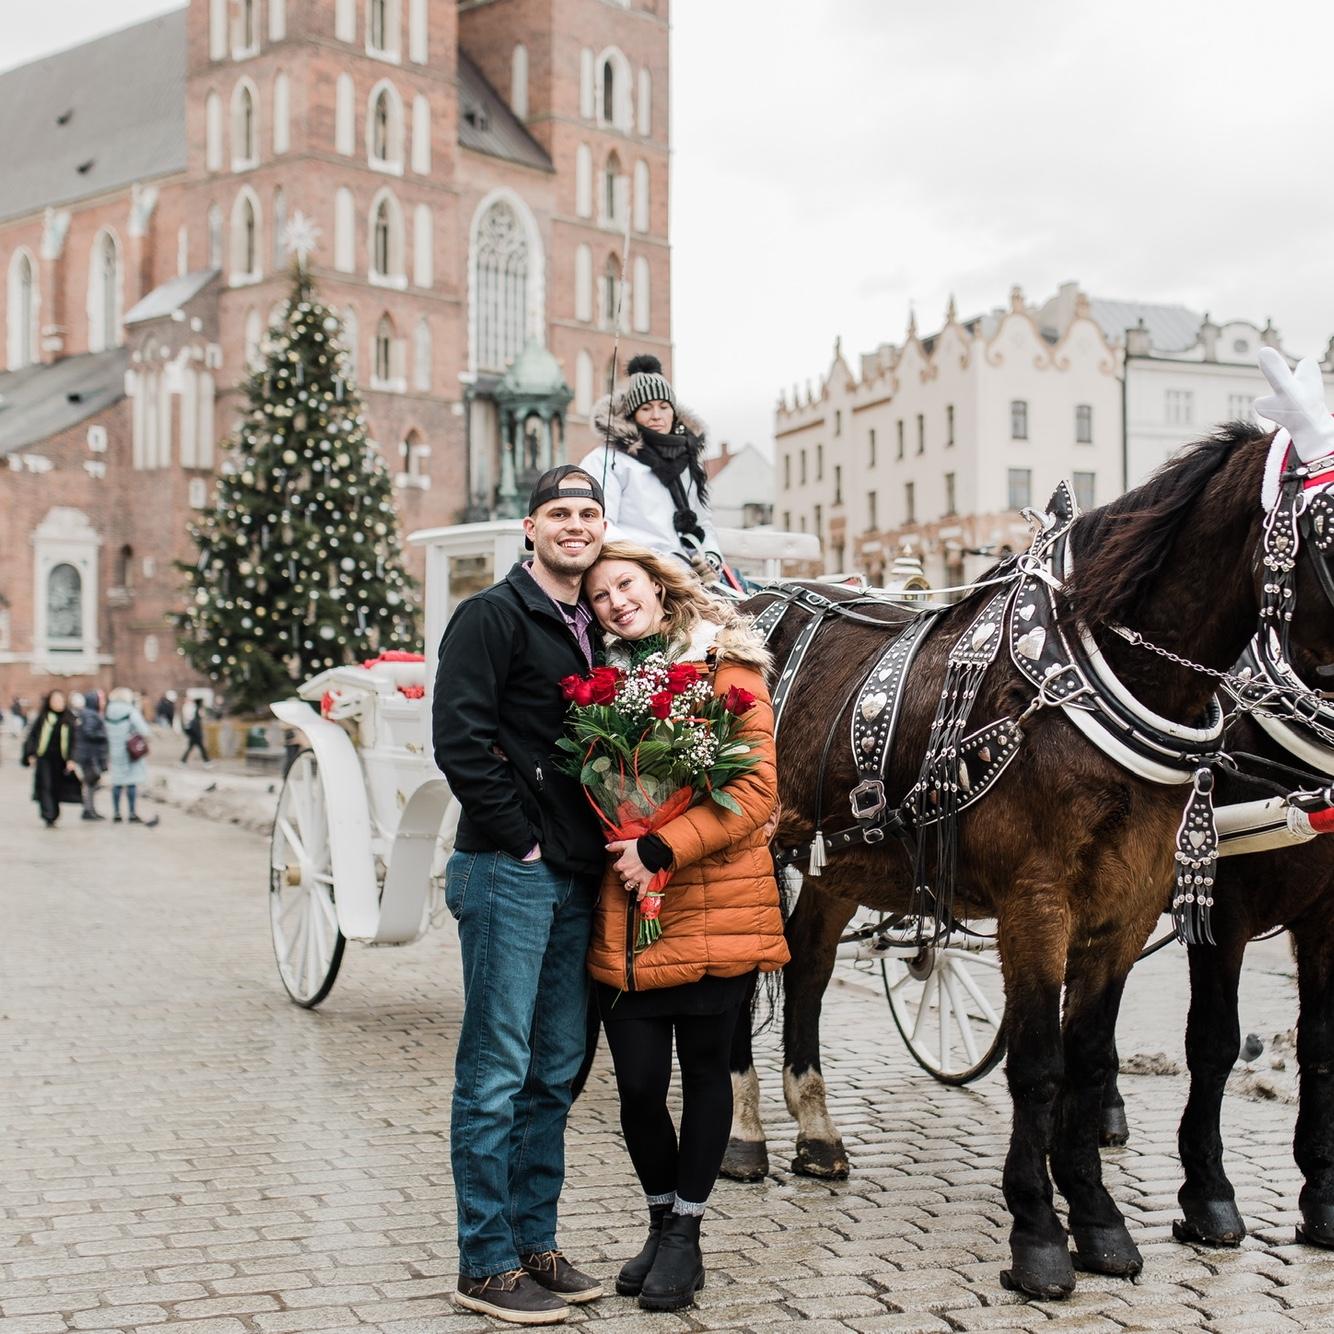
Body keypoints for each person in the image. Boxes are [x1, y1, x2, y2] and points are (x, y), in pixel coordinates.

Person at [580, 541, 789, 1311]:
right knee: (637, 1084)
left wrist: (663, 845)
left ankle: (686, 1234)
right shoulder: (603, 686)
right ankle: (661, 1218)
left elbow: (758, 788)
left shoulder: (727, 665)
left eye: (624, 585)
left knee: (705, 1075)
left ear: (657, 587)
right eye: (600, 596)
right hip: (631, 912)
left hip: (716, 904)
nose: (615, 602)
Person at [433, 465, 610, 1325]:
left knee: (554, 1073)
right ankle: (485, 1261)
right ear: (530, 528)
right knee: (497, 1069)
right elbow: (460, 743)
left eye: (588, 514)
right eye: (559, 514)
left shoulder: (596, 628)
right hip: (510, 870)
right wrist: (526, 837)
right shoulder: (491, 616)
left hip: (574, 874)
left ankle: (535, 1241)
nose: (575, 526)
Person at [579, 355, 725, 579]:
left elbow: (703, 521)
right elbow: (600, 525)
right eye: (646, 408)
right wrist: (656, 562)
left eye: (664, 406)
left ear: (674, 413)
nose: (657, 415)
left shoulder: (688, 461)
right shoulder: (608, 460)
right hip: (638, 571)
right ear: (633, 415)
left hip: (690, 574)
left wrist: (711, 558)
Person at [21, 690, 79, 827]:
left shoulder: (69, 719)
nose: (58, 703)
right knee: (45, 785)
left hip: (61, 759)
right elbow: (33, 736)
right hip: (44, 757)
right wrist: (31, 754)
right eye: (55, 700)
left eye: (60, 700)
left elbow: (74, 741)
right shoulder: (43, 717)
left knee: (56, 787)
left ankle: (54, 812)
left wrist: (72, 759)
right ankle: (48, 815)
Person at [104, 687, 156, 825]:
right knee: (131, 781)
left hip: (114, 751)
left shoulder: (108, 711)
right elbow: (144, 730)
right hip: (129, 752)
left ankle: (116, 813)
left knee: (117, 782)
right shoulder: (130, 711)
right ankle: (132, 813)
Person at [70, 690, 109, 821]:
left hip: (89, 754)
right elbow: (89, 732)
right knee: (92, 782)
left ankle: (90, 808)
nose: (103, 703)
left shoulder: (88, 713)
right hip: (90, 755)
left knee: (92, 782)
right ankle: (88, 809)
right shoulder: (90, 714)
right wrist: (104, 735)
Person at [181, 701, 211, 766]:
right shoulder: (195, 720)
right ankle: (207, 762)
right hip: (196, 737)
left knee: (192, 749)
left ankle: (183, 761)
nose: (203, 713)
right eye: (202, 712)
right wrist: (199, 736)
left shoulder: (196, 719)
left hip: (195, 738)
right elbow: (195, 730)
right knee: (201, 749)